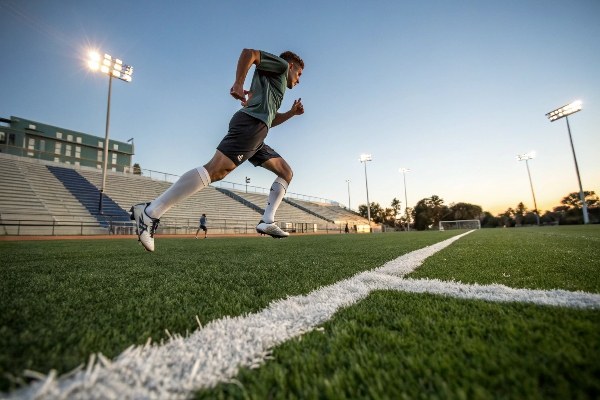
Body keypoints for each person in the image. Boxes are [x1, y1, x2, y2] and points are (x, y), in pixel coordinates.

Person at [130, 48, 304, 252]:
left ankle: (267, 221)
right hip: (251, 125)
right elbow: (250, 53)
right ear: (290, 66)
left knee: (286, 172)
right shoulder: (282, 67)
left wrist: (291, 113)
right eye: (299, 74)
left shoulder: (275, 83)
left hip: (258, 130)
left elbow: (271, 119)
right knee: (215, 170)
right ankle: (150, 212)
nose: (299, 80)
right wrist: (238, 82)